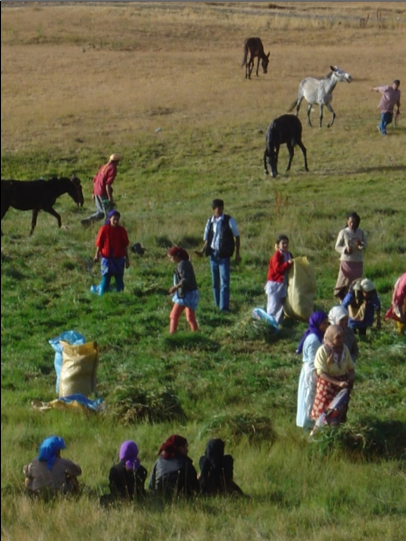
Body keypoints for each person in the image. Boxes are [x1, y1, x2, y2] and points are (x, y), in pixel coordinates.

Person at [196, 199, 241, 312]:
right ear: (213, 209)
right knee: (215, 282)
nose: (220, 210)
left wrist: (237, 253)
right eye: (218, 208)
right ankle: (217, 304)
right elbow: (208, 239)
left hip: (224, 254)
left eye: (221, 208)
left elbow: (237, 236)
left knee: (224, 282)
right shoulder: (210, 222)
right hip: (213, 254)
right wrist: (202, 251)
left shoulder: (229, 220)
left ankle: (224, 307)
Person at [311, 325, 355, 427]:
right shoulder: (323, 350)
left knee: (339, 413)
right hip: (327, 386)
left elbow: (351, 368)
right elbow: (321, 373)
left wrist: (351, 378)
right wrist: (337, 383)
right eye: (337, 337)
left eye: (342, 337)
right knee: (324, 414)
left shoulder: (344, 349)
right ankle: (320, 434)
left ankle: (336, 433)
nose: (341, 340)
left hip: (341, 386)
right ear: (330, 337)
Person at [296, 311, 329, 429]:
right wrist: (316, 376)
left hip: (315, 371)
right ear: (317, 323)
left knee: (313, 398)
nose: (326, 326)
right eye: (324, 323)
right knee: (309, 398)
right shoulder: (313, 339)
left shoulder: (318, 336)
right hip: (311, 372)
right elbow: (312, 361)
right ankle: (307, 425)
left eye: (327, 323)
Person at [93, 210, 130, 296]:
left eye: (118, 219)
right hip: (107, 259)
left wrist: (127, 259)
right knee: (106, 279)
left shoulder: (121, 231)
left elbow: (125, 246)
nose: (116, 221)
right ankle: (101, 296)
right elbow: (99, 244)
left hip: (119, 259)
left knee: (119, 280)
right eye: (114, 219)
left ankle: (120, 297)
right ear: (110, 219)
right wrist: (97, 255)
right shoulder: (103, 229)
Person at [81, 153, 121, 226]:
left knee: (101, 213)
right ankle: (107, 228)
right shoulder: (112, 168)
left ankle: (88, 221)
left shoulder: (104, 166)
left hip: (97, 191)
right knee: (109, 213)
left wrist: (93, 192)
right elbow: (107, 184)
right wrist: (110, 198)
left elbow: (95, 179)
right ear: (117, 161)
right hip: (103, 193)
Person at [334, 212, 367, 300]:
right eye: (350, 222)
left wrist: (360, 244)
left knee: (356, 284)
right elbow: (337, 246)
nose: (352, 224)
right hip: (346, 263)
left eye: (354, 222)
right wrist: (345, 249)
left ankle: (354, 301)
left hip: (358, 262)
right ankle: (343, 300)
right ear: (347, 221)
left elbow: (365, 245)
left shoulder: (361, 232)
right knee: (344, 283)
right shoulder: (343, 232)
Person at [167, 246, 199, 333]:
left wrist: (175, 287)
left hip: (185, 295)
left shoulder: (182, 265)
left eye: (171, 257)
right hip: (192, 293)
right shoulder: (186, 263)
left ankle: (172, 334)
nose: (170, 260)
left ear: (176, 257)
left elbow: (185, 279)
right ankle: (196, 333)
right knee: (190, 317)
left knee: (174, 315)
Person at [265, 234, 294, 325]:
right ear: (278, 245)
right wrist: (287, 264)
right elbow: (277, 269)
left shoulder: (289, 254)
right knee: (273, 304)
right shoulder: (276, 256)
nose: (285, 245)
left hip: (283, 283)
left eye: (286, 243)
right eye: (283, 243)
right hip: (275, 283)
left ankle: (277, 324)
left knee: (281, 305)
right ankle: (268, 323)